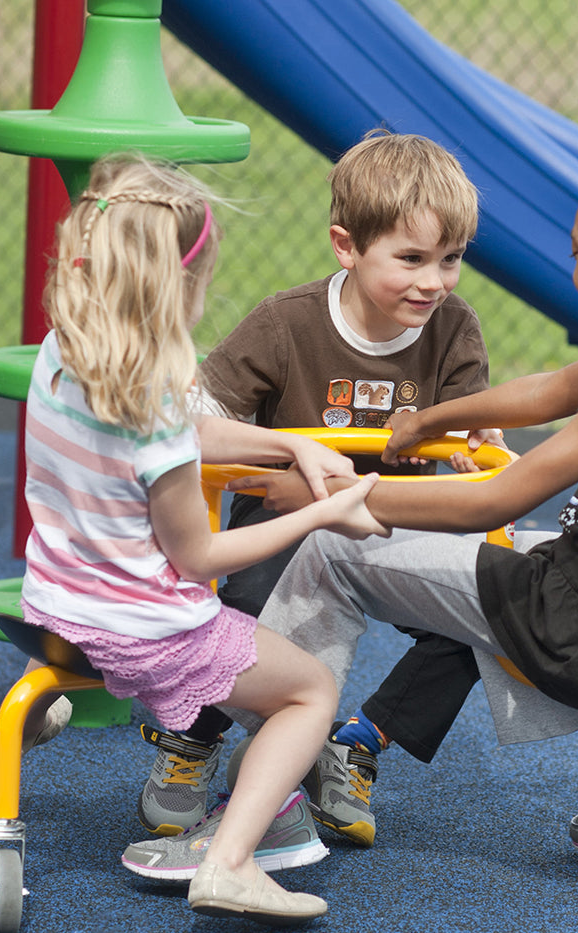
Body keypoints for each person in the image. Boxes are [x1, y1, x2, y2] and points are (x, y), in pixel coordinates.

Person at [215, 134, 578, 856]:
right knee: (485, 568)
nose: (573, 273)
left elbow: (492, 498)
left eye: (577, 255)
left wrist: (337, 497)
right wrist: (434, 419)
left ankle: (272, 791)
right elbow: (553, 389)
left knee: (328, 550)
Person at [0, 153, 389, 926]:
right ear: (182, 285)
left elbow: (189, 426)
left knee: (86, 646)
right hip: (144, 631)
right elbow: (198, 559)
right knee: (309, 691)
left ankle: (22, 716)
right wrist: (320, 513)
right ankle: (230, 864)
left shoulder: (65, 351)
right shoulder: (154, 409)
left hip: (53, 605)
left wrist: (288, 445)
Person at [127, 130, 502, 852]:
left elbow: (469, 427)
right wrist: (269, 465)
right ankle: (195, 739)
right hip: (288, 519)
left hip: (391, 523)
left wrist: (473, 449)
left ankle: (356, 744)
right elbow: (202, 415)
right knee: (241, 611)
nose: (434, 282)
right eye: (412, 259)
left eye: (451, 260)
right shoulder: (286, 322)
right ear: (347, 246)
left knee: (481, 615)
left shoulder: (454, 329)